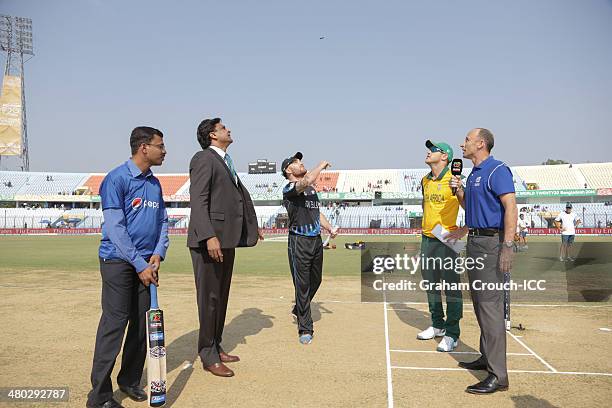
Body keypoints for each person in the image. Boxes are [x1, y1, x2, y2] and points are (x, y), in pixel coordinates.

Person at [87, 127, 169, 408]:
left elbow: (162, 223)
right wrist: (138, 263)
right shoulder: (116, 179)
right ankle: (98, 397)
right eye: (160, 145)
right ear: (144, 148)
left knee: (140, 326)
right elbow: (116, 228)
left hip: (147, 264)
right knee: (114, 325)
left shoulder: (155, 184)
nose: (165, 150)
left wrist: (158, 253)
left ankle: (129, 380)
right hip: (118, 263)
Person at [187, 118, 263, 377]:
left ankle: (216, 346)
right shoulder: (204, 158)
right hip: (209, 242)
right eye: (223, 128)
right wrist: (209, 236)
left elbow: (237, 200)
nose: (228, 130)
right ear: (211, 135)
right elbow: (198, 201)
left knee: (220, 298)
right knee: (209, 299)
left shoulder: (225, 161)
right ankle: (207, 355)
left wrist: (251, 227)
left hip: (225, 240)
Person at [446, 128, 517, 395]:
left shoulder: (497, 170)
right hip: (475, 241)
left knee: (490, 308)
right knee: (479, 304)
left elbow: (510, 206)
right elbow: (470, 209)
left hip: (491, 243)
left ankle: (498, 375)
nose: (461, 143)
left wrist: (507, 246)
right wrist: (459, 191)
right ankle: (487, 357)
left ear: (481, 143)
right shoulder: (474, 173)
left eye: (466, 139)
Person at [281, 152, 337, 344]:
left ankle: (298, 308)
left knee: (316, 280)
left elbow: (316, 213)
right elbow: (306, 180)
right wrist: (320, 165)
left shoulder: (311, 190)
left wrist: (329, 227)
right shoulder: (289, 188)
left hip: (315, 240)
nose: (301, 163)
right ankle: (305, 328)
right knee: (302, 285)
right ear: (289, 170)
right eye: (297, 162)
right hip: (299, 241)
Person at [416, 140, 462, 352]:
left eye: (433, 150)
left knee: (451, 286)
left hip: (447, 238)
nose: (428, 152)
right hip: (427, 238)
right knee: (431, 285)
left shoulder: (453, 180)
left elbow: (468, 204)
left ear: (445, 156)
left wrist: (460, 189)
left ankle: (452, 333)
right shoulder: (425, 180)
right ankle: (437, 324)